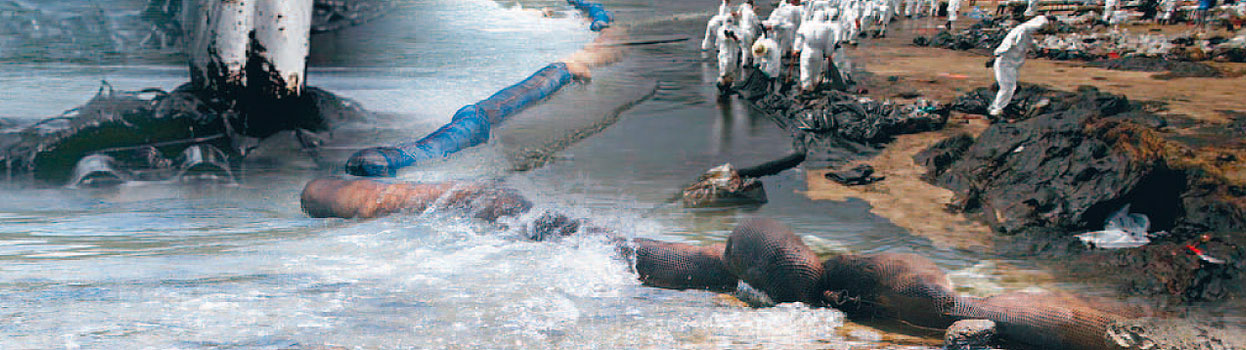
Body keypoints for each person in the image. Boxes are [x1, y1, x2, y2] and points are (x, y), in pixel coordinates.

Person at [989, 15, 1049, 117]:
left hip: (1012, 65)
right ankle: (996, 109)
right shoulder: (1020, 32)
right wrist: (997, 55)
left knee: (1011, 87)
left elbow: (1032, 44)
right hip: (1005, 63)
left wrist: (1040, 51)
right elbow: (1008, 44)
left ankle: (1001, 106)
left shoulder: (1027, 34)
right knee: (1007, 87)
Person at [794, 10, 843, 91]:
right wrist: (828, 53)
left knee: (805, 69)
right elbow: (829, 43)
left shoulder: (806, 24)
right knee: (816, 71)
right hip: (818, 52)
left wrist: (797, 49)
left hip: (807, 50)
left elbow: (799, 37)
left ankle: (806, 88)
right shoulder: (827, 28)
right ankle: (813, 86)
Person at [713, 14, 744, 86]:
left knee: (732, 68)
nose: (729, 23)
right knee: (724, 66)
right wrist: (727, 36)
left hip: (733, 52)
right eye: (728, 21)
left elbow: (740, 39)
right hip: (725, 52)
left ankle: (730, 83)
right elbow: (722, 38)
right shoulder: (721, 29)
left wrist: (734, 37)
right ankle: (722, 83)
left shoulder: (737, 29)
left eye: (730, 21)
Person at [738, 0, 763, 66]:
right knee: (749, 47)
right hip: (749, 32)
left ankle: (744, 62)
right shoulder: (751, 13)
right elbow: (756, 23)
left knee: (744, 48)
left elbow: (738, 14)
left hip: (742, 31)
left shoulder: (743, 8)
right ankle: (746, 63)